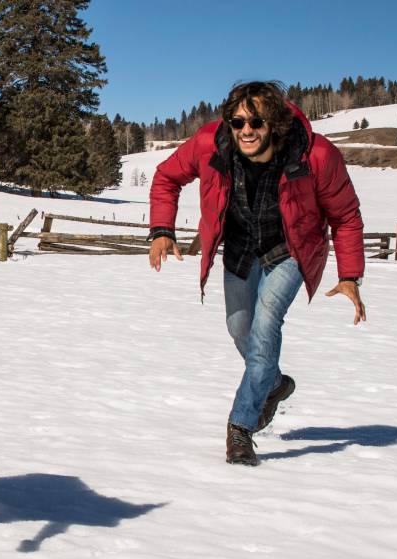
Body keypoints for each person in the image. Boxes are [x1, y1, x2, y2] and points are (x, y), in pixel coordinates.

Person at [147, 81, 366, 466]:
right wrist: (162, 230)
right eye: (238, 122)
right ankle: (274, 383)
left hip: (291, 251)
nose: (246, 130)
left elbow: (345, 215)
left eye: (257, 122)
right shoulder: (209, 144)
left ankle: (241, 428)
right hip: (240, 250)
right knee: (239, 329)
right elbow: (167, 177)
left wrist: (350, 274)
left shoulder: (315, 155)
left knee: (266, 327)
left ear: (275, 123)